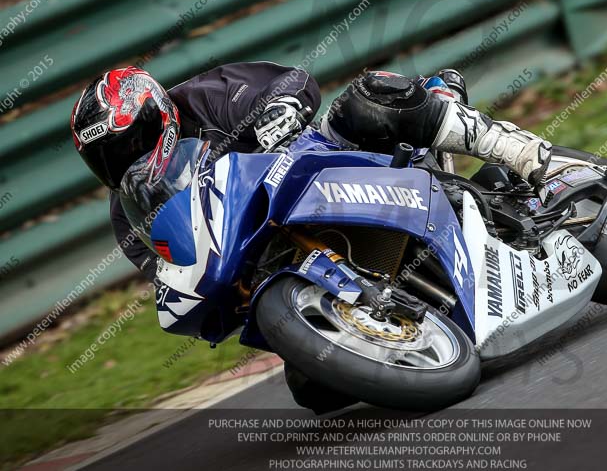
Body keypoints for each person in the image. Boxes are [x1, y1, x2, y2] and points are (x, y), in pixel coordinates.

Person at [70, 62, 552, 412]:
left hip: (317, 168)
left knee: (370, 98)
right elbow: (177, 271)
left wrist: (280, 109)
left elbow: (290, 80)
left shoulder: (203, 97)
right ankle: (408, 311)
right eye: (107, 157)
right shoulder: (129, 216)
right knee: (315, 390)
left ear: (156, 112)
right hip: (276, 260)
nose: (125, 158)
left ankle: (533, 158)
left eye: (130, 140)